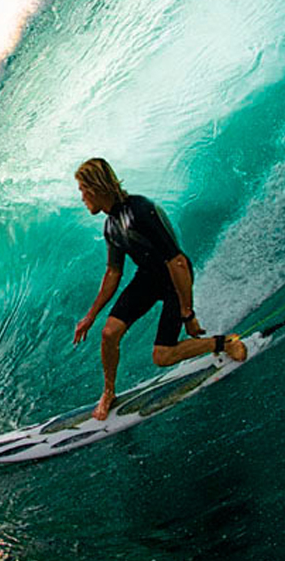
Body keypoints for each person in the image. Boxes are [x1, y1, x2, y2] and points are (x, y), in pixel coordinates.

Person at [73, 157, 247, 421]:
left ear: (96, 187)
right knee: (109, 333)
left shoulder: (141, 210)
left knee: (162, 356)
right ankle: (108, 392)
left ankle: (225, 342)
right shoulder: (111, 226)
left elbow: (176, 262)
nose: (82, 197)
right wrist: (91, 316)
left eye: (83, 190)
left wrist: (187, 313)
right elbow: (114, 272)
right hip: (148, 278)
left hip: (174, 279)